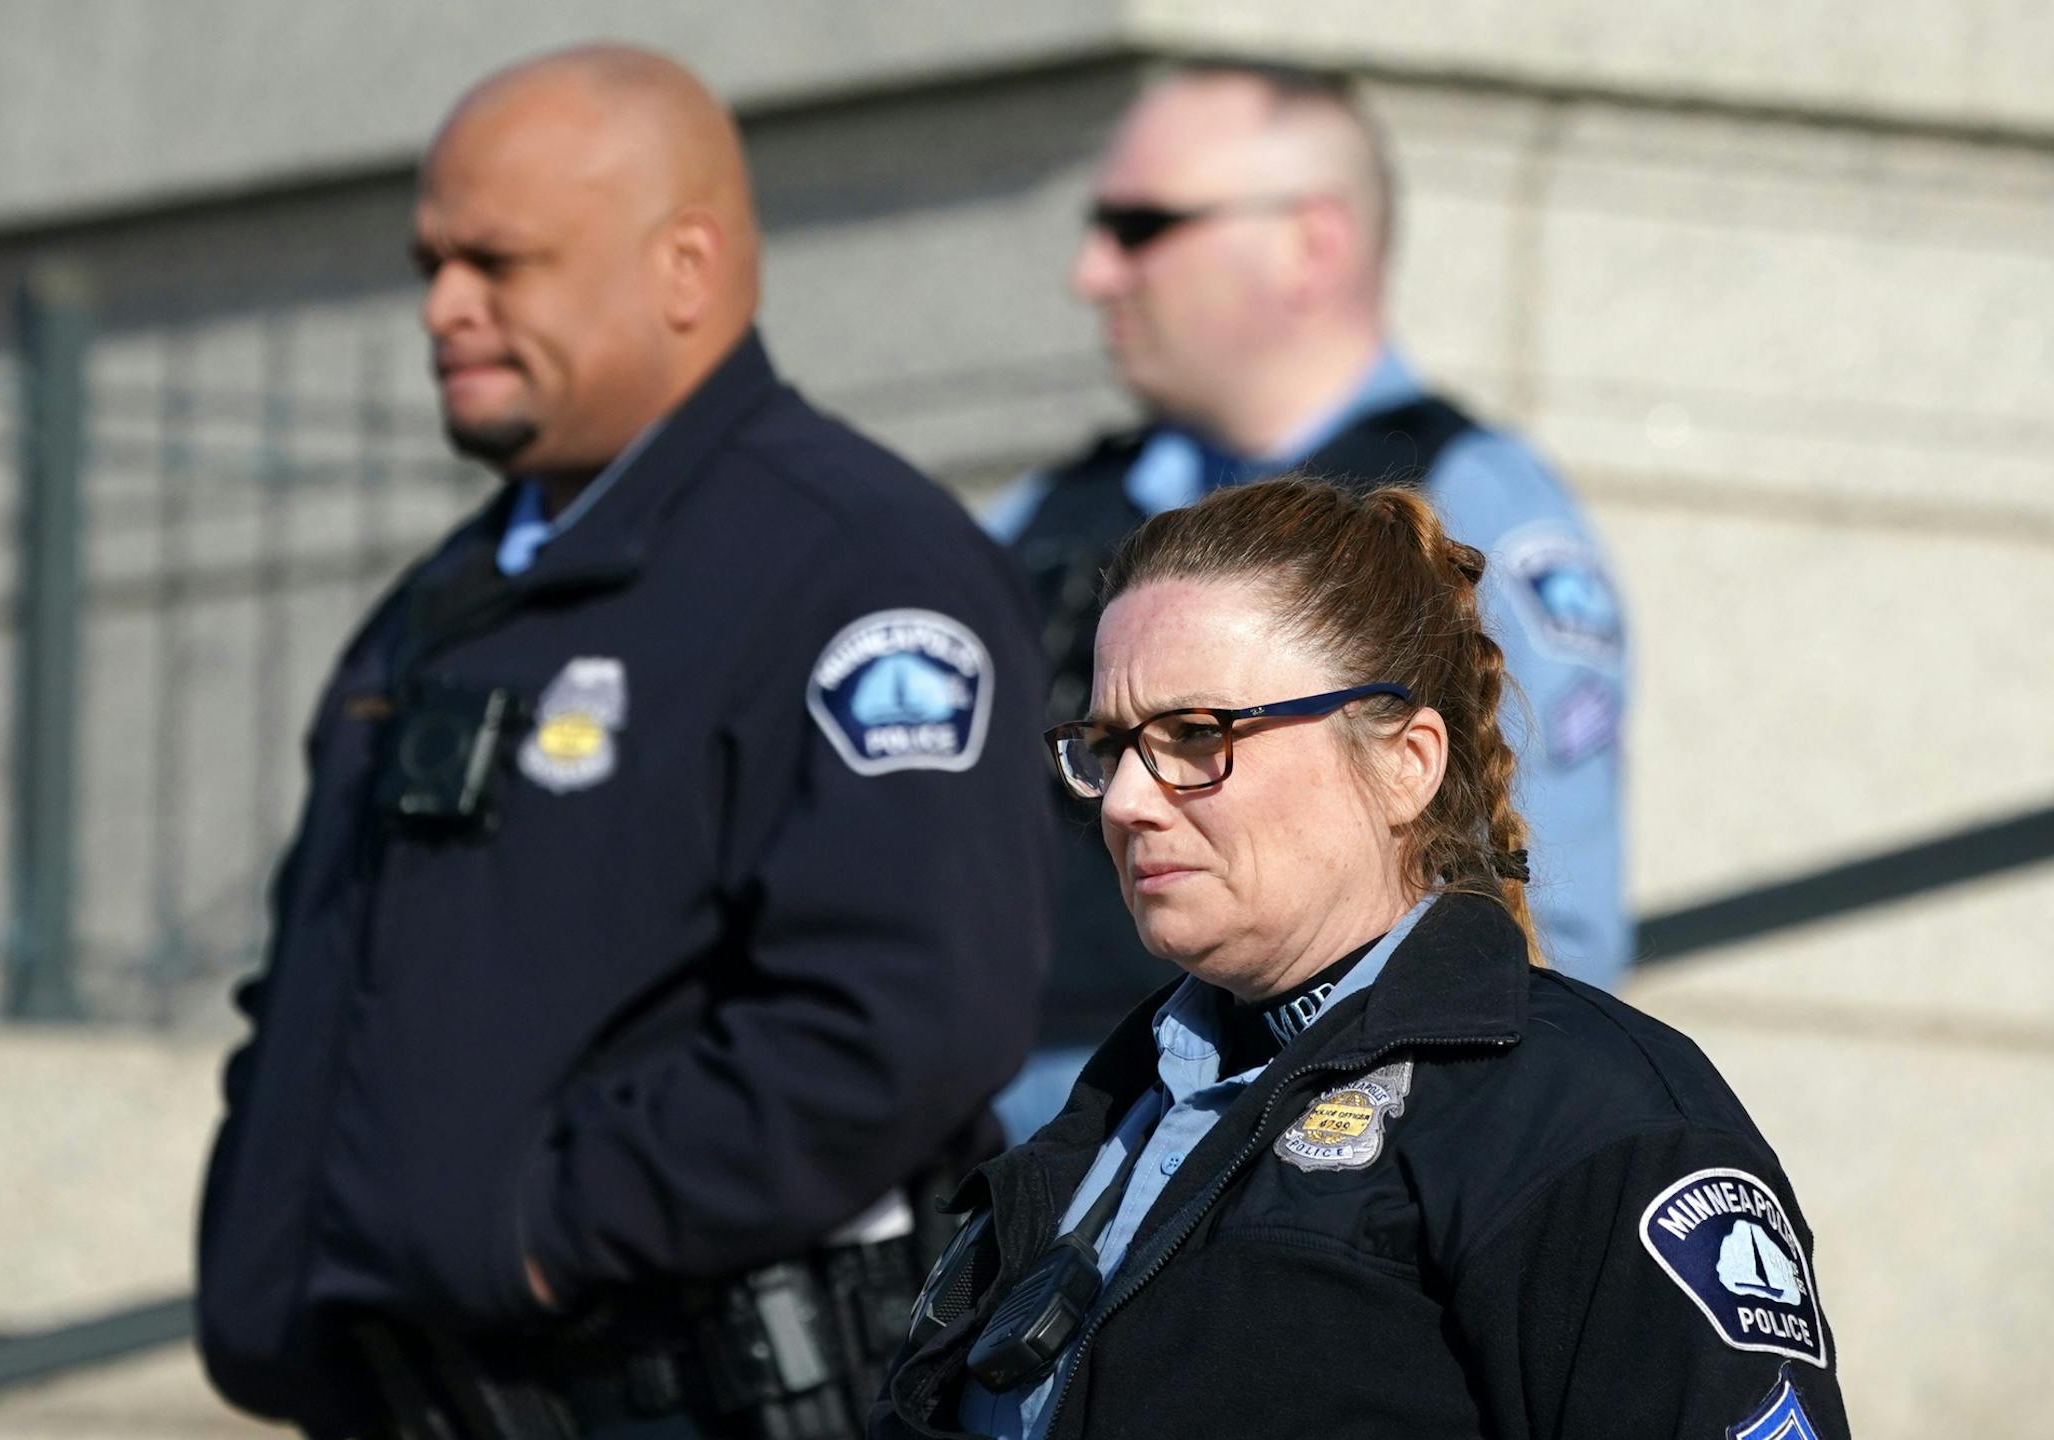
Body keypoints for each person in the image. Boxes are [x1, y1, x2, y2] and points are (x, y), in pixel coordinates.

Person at [195, 46, 1052, 1440]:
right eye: (429, 263)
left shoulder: (859, 569)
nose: (444, 308)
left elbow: (897, 1025)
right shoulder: (445, 607)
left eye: (500, 261)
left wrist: (531, 1229)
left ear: (685, 269)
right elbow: (320, 992)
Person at [877, 478, 1849, 1440]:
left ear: (1404, 764)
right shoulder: (1101, 1127)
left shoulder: (1593, 1122)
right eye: (1109, 745)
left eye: (1194, 736)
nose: (1127, 800)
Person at [989, 63, 1627, 1080]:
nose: (1094, 273)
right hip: (1026, 1151)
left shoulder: (1475, 506)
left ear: (1310, 245)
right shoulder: (1048, 515)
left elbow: (1552, 921)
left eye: (1140, 226)